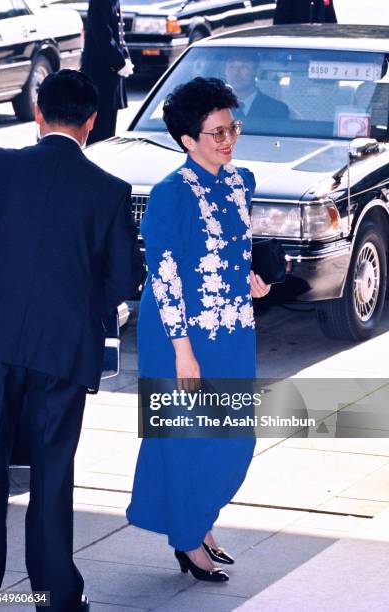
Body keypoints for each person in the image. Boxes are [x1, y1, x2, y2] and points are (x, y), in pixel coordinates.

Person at [0, 70, 144, 612]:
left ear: (38, 114)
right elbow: (125, 282)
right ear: (92, 122)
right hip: (63, 352)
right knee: (52, 476)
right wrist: (83, 306)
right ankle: (54, 598)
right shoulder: (109, 190)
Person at [126, 77, 270, 582]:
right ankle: (190, 540)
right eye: (216, 133)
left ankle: (198, 521)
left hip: (231, 327)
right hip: (179, 335)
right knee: (188, 438)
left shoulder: (240, 180)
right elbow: (164, 279)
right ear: (188, 141)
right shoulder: (170, 195)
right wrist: (183, 353)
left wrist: (247, 277)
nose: (228, 140)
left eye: (232, 128)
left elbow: (228, 249)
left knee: (234, 437)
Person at [81, 0, 134, 145]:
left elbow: (118, 34)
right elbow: (102, 33)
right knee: (99, 132)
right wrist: (119, 62)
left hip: (109, 73)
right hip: (100, 74)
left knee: (108, 130)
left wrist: (125, 57)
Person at [225, 56, 289, 130]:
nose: (236, 73)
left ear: (257, 71)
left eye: (244, 67)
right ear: (225, 71)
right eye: (232, 67)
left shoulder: (277, 109)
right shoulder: (215, 107)